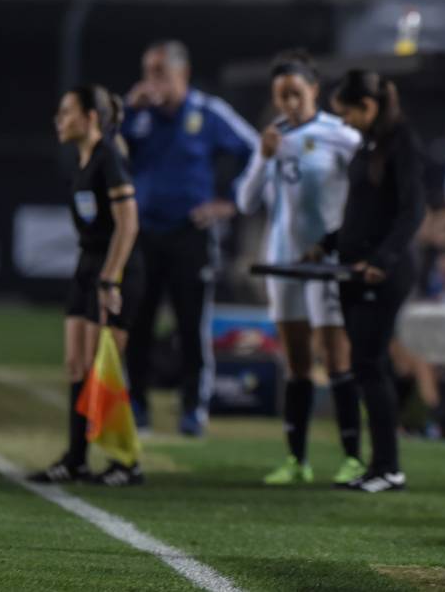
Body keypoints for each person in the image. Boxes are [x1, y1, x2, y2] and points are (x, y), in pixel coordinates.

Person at [235, 49, 364, 486]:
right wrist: (264, 157)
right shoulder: (273, 137)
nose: (286, 103)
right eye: (279, 96)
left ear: (313, 90)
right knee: (296, 362)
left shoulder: (340, 134)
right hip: (283, 258)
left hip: (326, 261)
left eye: (293, 93)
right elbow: (245, 201)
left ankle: (352, 457)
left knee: (336, 355)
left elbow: (365, 186)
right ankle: (297, 460)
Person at [122, 40, 258, 436]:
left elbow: (256, 150)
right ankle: (137, 406)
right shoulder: (137, 115)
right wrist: (129, 108)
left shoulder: (208, 112)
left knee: (191, 323)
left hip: (190, 234)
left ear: (182, 73)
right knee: (139, 321)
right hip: (144, 233)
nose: (151, 81)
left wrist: (230, 202)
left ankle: (193, 409)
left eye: (159, 72)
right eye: (148, 72)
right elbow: (105, 146)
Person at [312, 70, 425, 493]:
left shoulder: (402, 142)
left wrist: (383, 259)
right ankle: (379, 465)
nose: (345, 123)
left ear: (369, 106)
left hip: (384, 271)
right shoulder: (370, 143)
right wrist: (327, 243)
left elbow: (411, 211)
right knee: (365, 365)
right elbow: (362, 211)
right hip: (352, 267)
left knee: (369, 364)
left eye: (348, 114)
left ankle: (388, 467)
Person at [28, 84, 145, 487]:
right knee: (76, 365)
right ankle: (76, 459)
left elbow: (128, 224)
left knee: (104, 367)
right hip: (87, 265)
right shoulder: (83, 158)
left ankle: (126, 462)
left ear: (91, 117)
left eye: (67, 112)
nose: (59, 120)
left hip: (117, 270)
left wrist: (111, 278)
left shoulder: (109, 156)